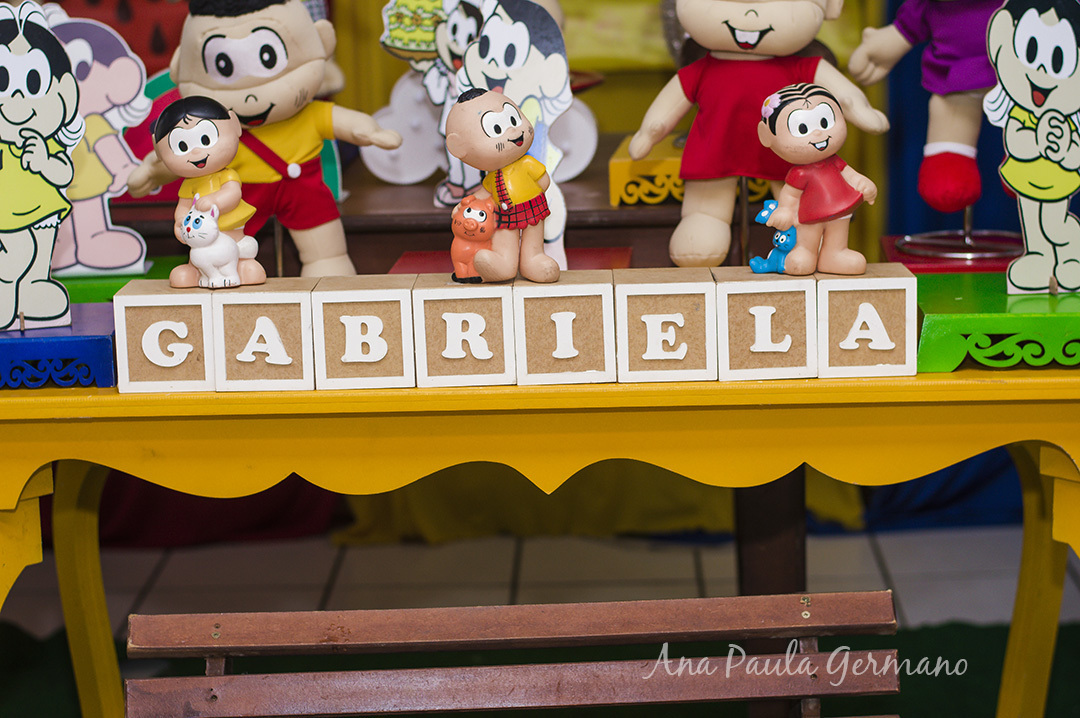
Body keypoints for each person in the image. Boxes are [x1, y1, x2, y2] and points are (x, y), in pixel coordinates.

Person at [127, 0, 402, 277]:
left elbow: (348, 123)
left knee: (327, 254)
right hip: (235, 195)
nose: (251, 97)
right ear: (180, 67)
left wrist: (372, 131)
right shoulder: (213, 131)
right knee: (223, 249)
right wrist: (152, 172)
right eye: (224, 66)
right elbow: (181, 155)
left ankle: (327, 276)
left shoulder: (309, 115)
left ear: (322, 42)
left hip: (302, 190)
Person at [629, 0, 888, 267]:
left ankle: (813, 243)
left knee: (803, 198)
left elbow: (844, 98)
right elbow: (667, 108)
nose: (750, 14)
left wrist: (861, 110)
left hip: (790, 155)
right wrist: (650, 132)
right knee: (705, 218)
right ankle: (704, 221)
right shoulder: (702, 70)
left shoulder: (802, 66)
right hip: (717, 150)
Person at [0, 0, 82, 330]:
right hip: (7, 215)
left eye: (33, 83)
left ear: (65, 92)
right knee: (17, 252)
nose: (17, 98)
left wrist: (45, 162)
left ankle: (33, 288)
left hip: (43, 214)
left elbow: (65, 172)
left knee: (38, 256)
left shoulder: (48, 142)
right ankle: (5, 287)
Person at [757, 83, 878, 275]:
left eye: (824, 122)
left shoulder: (836, 162)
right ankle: (804, 252)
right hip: (810, 217)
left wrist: (864, 184)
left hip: (840, 210)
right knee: (807, 245)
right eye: (802, 128)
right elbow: (791, 194)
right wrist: (785, 210)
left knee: (838, 237)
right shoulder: (799, 174)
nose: (818, 133)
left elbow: (851, 175)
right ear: (766, 136)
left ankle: (834, 255)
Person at [445, 88, 558, 283]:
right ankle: (503, 264)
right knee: (505, 240)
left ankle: (533, 260)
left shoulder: (527, 163)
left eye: (514, 120)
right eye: (497, 129)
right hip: (504, 215)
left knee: (533, 240)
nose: (514, 132)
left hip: (533, 209)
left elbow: (544, 182)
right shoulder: (492, 178)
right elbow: (483, 193)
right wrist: (464, 206)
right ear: (459, 147)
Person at [151, 96, 265, 288]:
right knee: (199, 254)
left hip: (228, 229)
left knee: (234, 249)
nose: (196, 152)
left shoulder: (226, 175)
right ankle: (195, 270)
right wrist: (180, 222)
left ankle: (242, 265)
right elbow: (183, 206)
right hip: (199, 237)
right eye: (183, 146)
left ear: (235, 126)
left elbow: (233, 194)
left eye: (205, 139)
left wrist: (215, 201)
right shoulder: (189, 185)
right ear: (158, 151)